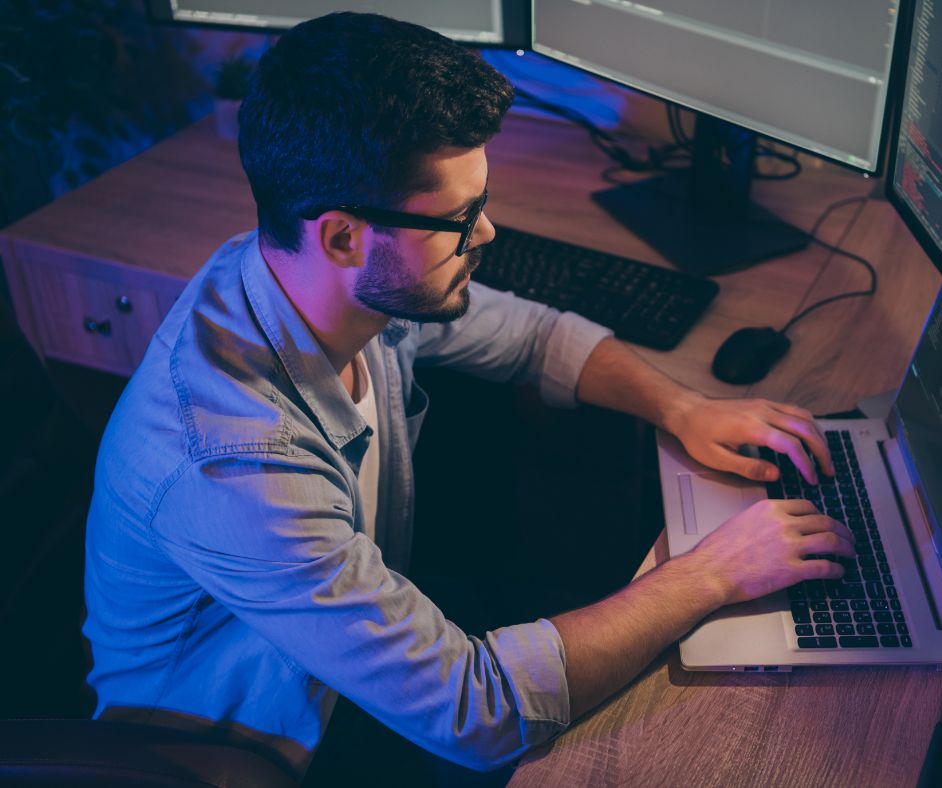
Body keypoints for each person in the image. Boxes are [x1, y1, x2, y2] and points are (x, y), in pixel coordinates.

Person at [82, 11, 855, 785]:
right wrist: (708, 573)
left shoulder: (313, 280)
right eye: (458, 220)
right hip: (270, 746)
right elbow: (476, 714)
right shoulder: (236, 465)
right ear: (344, 238)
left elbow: (531, 335)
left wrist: (684, 408)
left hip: (359, 653)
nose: (485, 233)